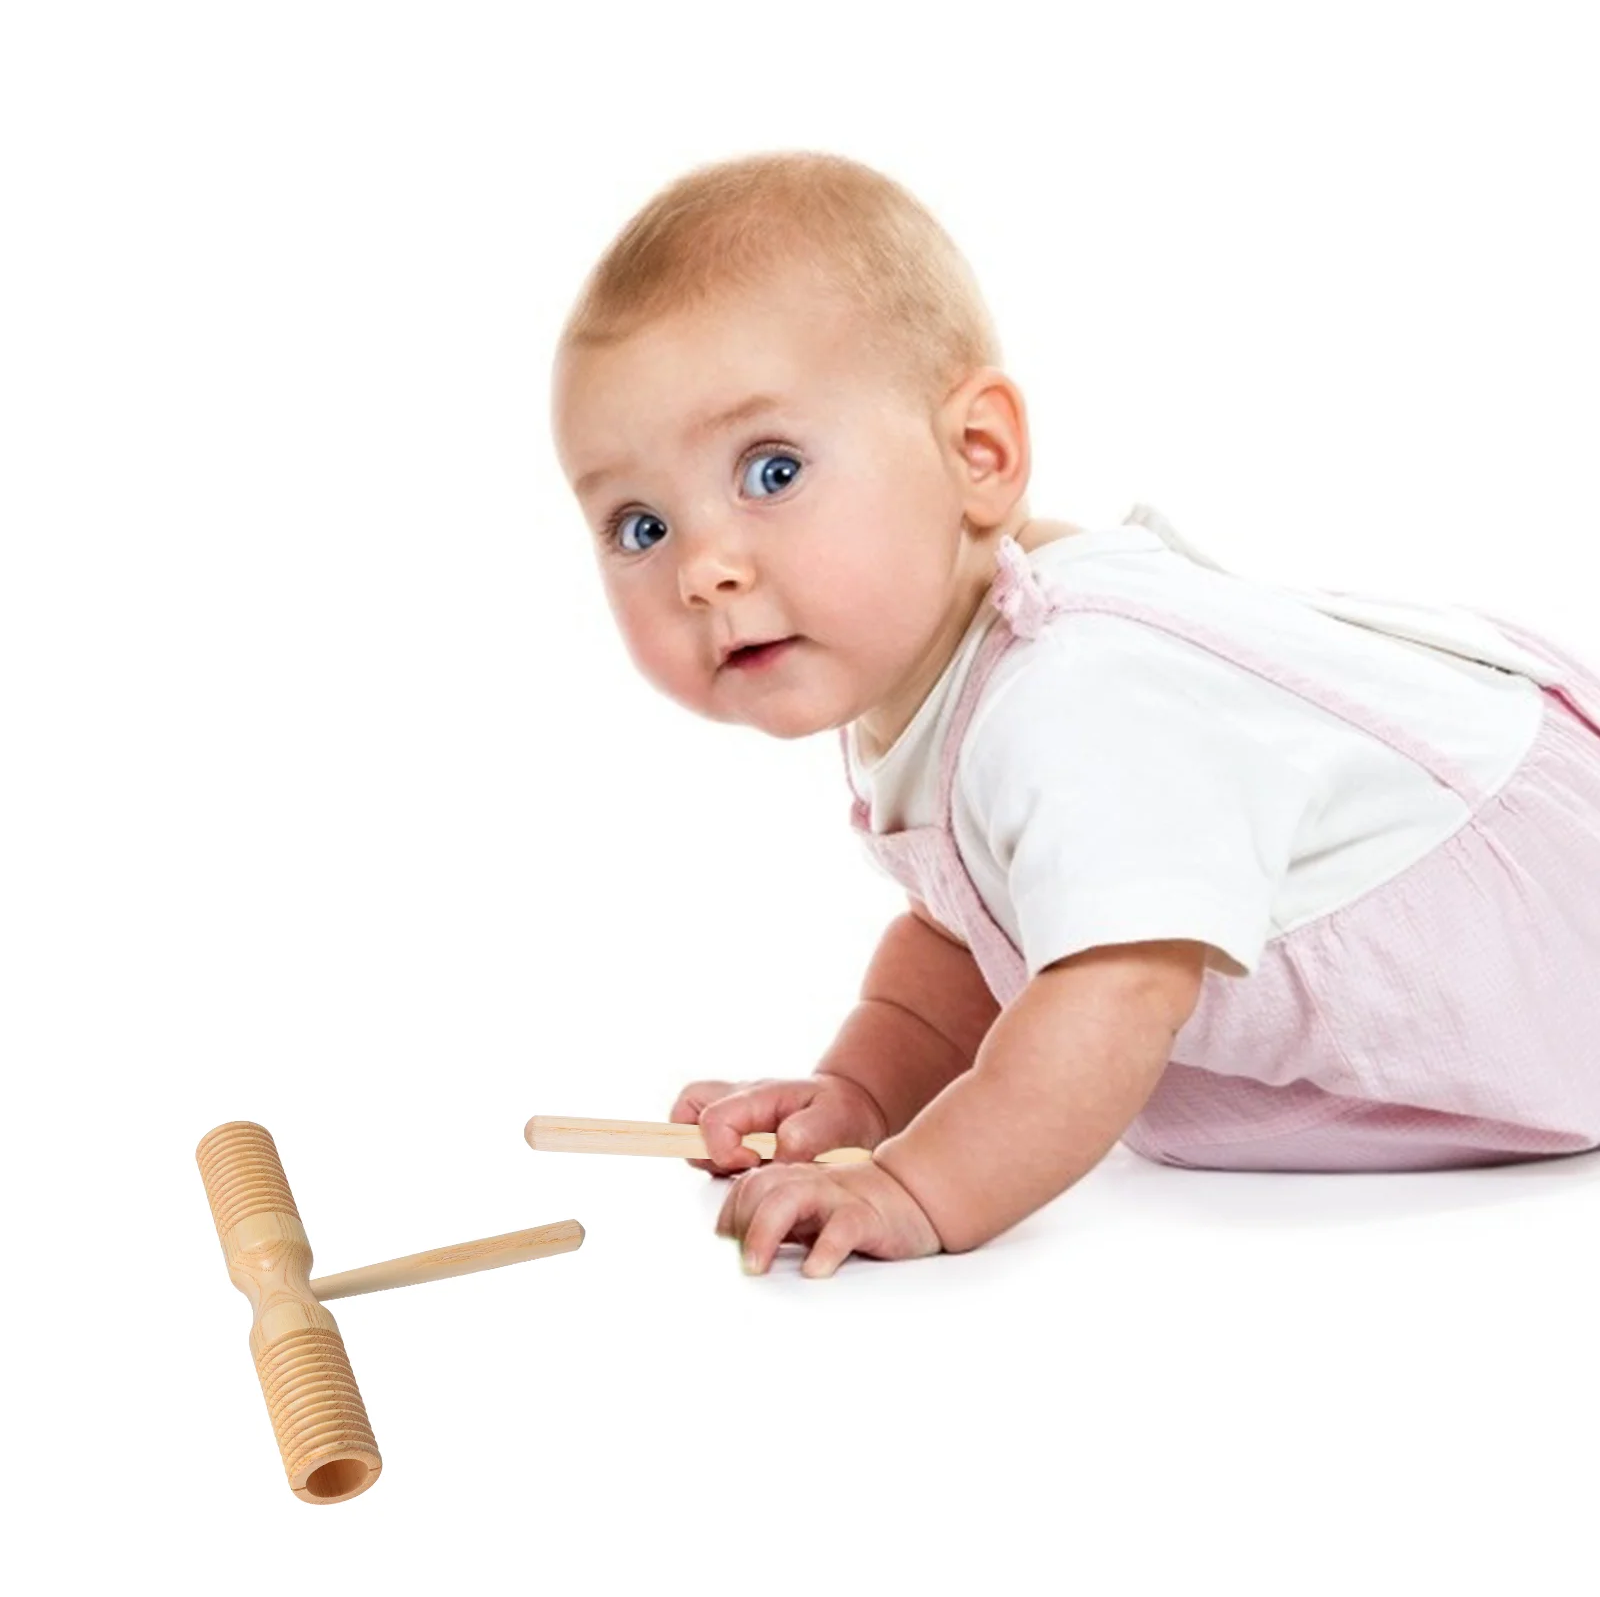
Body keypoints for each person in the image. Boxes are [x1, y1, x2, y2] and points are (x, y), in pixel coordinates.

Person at [549, 151, 1600, 1278]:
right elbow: (969, 929)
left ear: (977, 455)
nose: (703, 568)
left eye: (770, 470)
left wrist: (921, 1182)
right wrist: (862, 1093)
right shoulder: (932, 666)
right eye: (640, 527)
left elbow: (1116, 984)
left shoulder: (1074, 696)